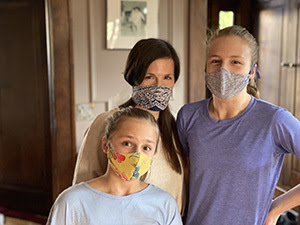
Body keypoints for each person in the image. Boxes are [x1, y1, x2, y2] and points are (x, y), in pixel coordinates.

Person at [176, 25, 300, 225]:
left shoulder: (274, 120)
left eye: (235, 62)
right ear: (206, 68)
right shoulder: (188, 116)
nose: (224, 70)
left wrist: (276, 209)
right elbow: (184, 178)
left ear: (252, 71)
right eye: (215, 61)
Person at [72, 38, 187, 215]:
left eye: (167, 78)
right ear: (134, 77)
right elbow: (84, 183)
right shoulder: (108, 121)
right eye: (149, 77)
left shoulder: (174, 131)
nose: (159, 86)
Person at [47, 107, 182, 225]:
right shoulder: (72, 202)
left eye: (146, 147)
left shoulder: (164, 203)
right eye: (127, 143)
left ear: (154, 152)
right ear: (106, 145)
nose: (137, 154)